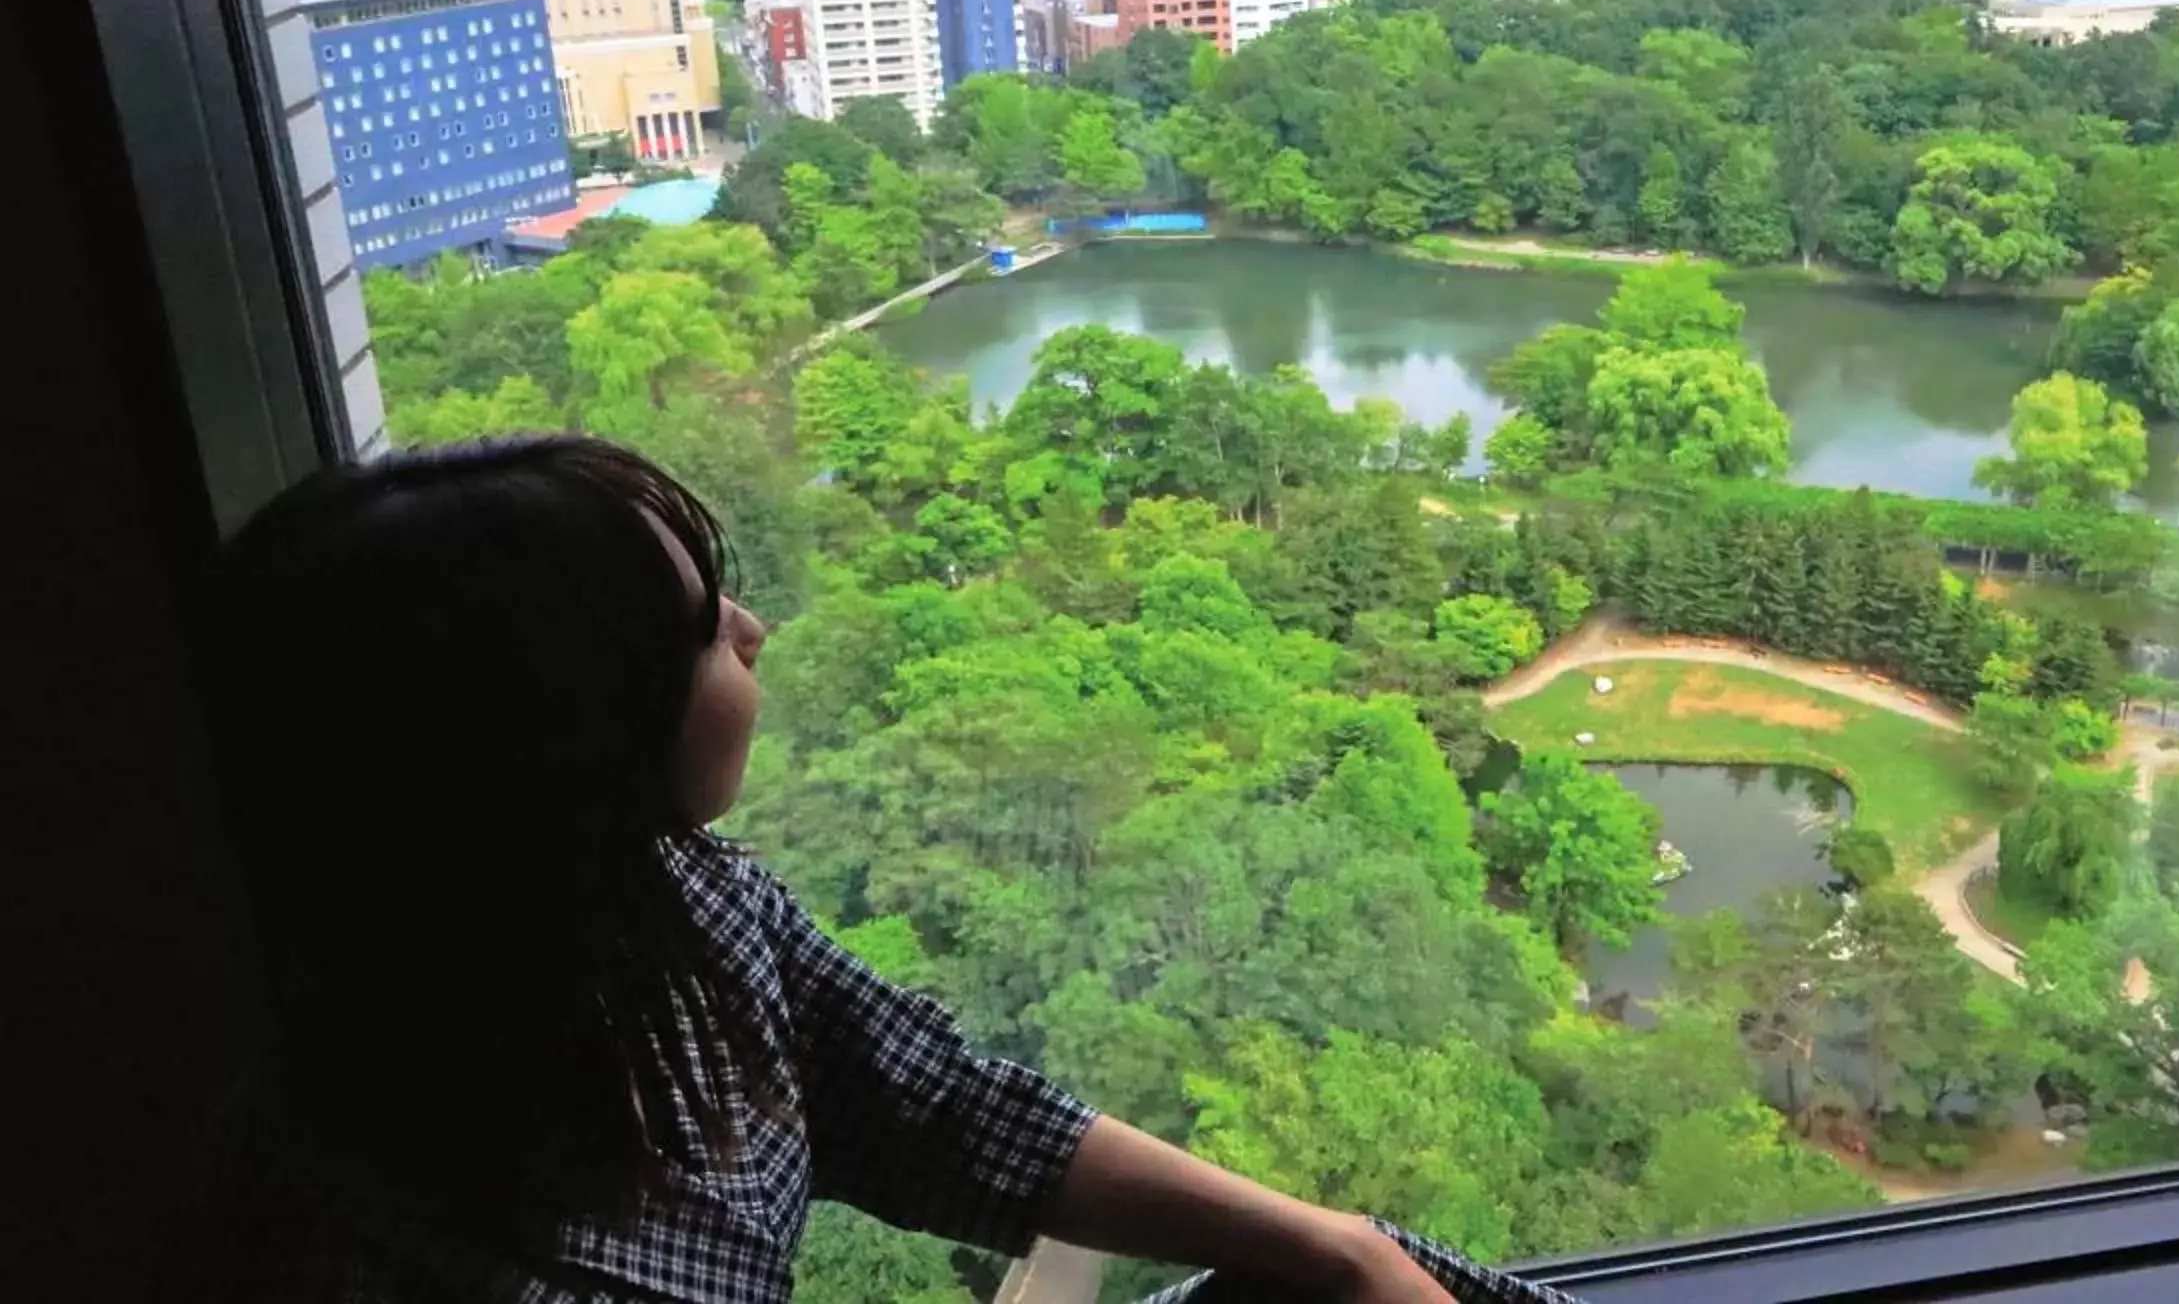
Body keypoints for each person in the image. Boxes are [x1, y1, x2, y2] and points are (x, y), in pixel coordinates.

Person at [200, 436, 1574, 1304]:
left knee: (1344, 1270)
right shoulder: (360, 1223)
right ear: (560, 732)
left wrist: (1328, 1247)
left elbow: (944, 1113)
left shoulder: (676, 914)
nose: (751, 627)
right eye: (694, 625)